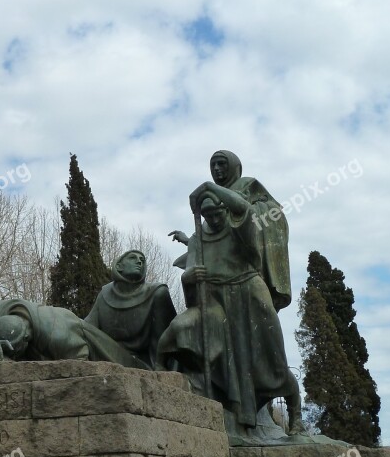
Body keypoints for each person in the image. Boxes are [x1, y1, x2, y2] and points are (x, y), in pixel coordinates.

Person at [157, 181, 305, 437]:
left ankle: (296, 416)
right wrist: (189, 277)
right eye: (208, 215)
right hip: (216, 302)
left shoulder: (243, 228)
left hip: (251, 296)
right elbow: (190, 278)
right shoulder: (197, 240)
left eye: (218, 213)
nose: (214, 219)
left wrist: (208, 187)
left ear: (227, 210)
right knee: (183, 332)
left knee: (273, 361)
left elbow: (244, 208)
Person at [170, 150, 290, 310]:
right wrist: (187, 240)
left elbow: (260, 217)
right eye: (213, 165)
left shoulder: (247, 188)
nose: (216, 168)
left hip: (245, 278)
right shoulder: (211, 200)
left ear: (235, 167)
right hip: (217, 286)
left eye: (221, 163)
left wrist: (209, 187)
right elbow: (214, 239)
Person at [0, 298, 151, 369]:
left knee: (134, 368)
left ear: (25, 339)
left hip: (95, 348)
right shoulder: (4, 311)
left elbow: (79, 365)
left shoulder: (58, 335)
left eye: (14, 350)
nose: (11, 355)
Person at [84, 250, 177, 369]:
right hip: (106, 354)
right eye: (133, 258)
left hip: (141, 363)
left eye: (142, 260)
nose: (139, 262)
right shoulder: (105, 293)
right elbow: (88, 328)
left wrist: (160, 370)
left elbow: (164, 341)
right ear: (118, 266)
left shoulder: (157, 293)